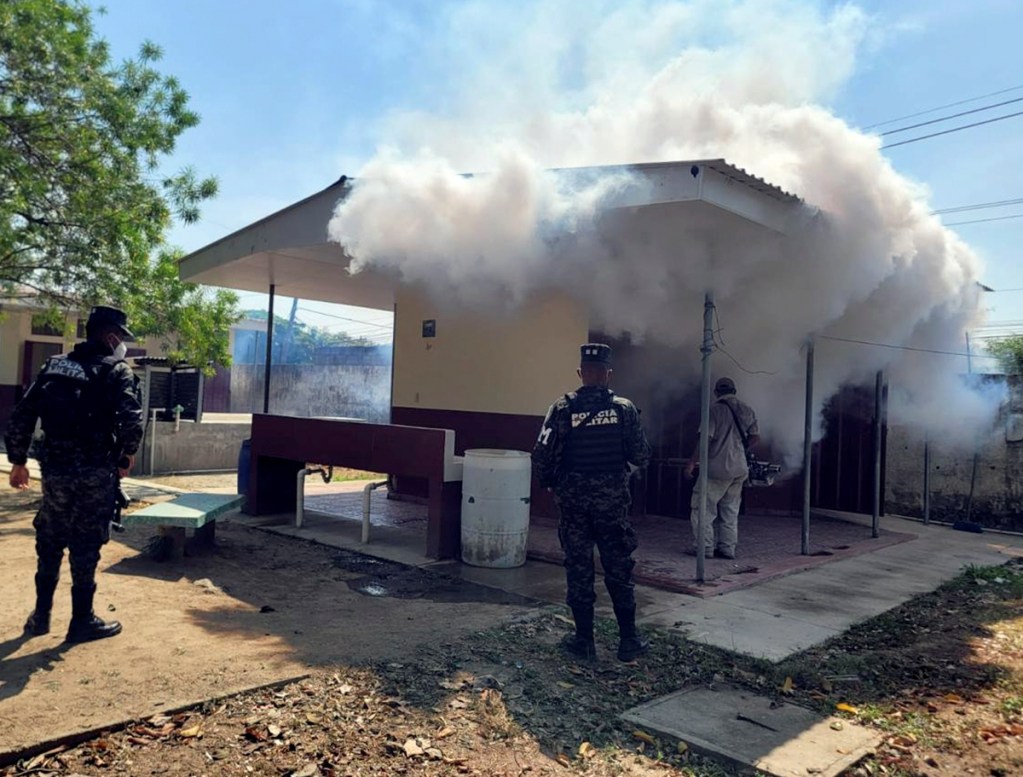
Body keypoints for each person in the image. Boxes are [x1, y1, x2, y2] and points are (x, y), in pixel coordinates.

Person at [5, 305, 144, 643]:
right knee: (85, 541)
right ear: (110, 336)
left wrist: (18, 460)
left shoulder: (54, 366)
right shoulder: (117, 371)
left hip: (54, 469)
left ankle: (40, 617)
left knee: (50, 537)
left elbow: (22, 414)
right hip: (95, 471)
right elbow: (131, 423)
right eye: (121, 337)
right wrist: (126, 456)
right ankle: (81, 621)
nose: (122, 344)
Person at [533, 343, 652, 662]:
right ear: (608, 375)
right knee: (618, 567)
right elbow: (641, 455)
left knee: (579, 567)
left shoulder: (561, 408)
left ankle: (584, 641)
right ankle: (628, 641)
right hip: (611, 505)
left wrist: (551, 484)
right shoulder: (625, 409)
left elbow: (542, 454)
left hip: (573, 505)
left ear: (581, 373)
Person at [684, 376, 759, 559]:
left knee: (703, 509)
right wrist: (739, 449)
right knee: (730, 510)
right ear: (734, 391)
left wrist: (692, 463)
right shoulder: (747, 410)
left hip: (716, 469)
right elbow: (755, 437)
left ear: (716, 392)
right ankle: (727, 548)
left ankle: (705, 548)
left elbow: (705, 440)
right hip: (739, 469)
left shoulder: (714, 411)